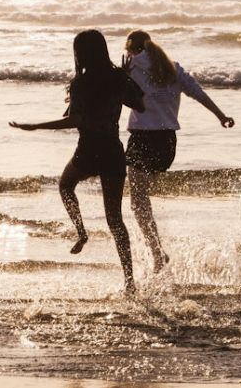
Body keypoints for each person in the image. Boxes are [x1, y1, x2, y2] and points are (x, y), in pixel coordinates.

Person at [9, 29, 145, 294]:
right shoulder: (118, 77)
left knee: (65, 185)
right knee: (115, 219)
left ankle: (81, 232)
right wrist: (126, 79)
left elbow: (74, 120)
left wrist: (36, 126)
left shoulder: (80, 84)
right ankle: (129, 281)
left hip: (88, 150)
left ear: (80, 54)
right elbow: (139, 105)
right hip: (113, 151)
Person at [121, 30, 235, 272]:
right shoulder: (173, 68)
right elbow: (199, 94)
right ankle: (157, 251)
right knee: (142, 198)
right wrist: (221, 116)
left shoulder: (131, 65)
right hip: (168, 143)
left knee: (137, 202)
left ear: (131, 49)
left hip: (143, 138)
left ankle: (157, 252)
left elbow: (113, 90)